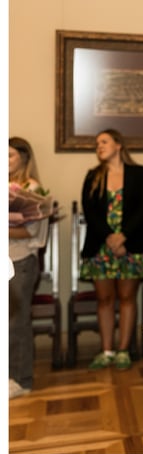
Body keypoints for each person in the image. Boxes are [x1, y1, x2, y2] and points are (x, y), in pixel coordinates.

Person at [80, 129, 143, 371]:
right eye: (97, 143)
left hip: (131, 246)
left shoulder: (138, 173)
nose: (99, 146)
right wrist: (110, 239)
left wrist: (123, 237)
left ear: (118, 145)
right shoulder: (93, 176)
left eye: (104, 142)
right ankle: (107, 351)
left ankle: (123, 350)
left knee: (127, 298)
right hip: (100, 247)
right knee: (105, 299)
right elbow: (89, 211)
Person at [9, 137, 50, 397]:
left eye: (10, 155)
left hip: (20, 260)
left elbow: (31, 231)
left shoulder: (32, 189)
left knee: (16, 321)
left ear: (24, 158)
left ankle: (21, 380)